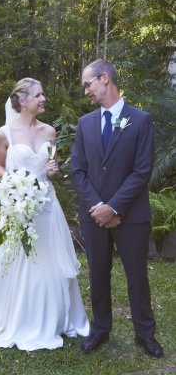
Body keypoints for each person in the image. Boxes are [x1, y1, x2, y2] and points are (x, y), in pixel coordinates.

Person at [0, 77, 89, 351]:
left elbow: (50, 168)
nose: (43, 98)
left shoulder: (50, 133)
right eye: (38, 95)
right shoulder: (4, 133)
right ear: (22, 101)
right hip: (17, 206)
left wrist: (53, 172)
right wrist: (13, 183)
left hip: (46, 206)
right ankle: (16, 316)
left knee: (48, 258)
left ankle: (54, 316)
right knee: (20, 258)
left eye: (42, 94)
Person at [71, 60, 164, 358]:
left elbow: (142, 170)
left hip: (131, 216)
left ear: (105, 78)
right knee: (98, 272)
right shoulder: (84, 124)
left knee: (137, 275)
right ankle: (100, 329)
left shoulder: (141, 120)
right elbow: (78, 171)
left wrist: (114, 207)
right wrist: (98, 206)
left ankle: (145, 334)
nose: (86, 91)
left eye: (88, 84)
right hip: (93, 216)